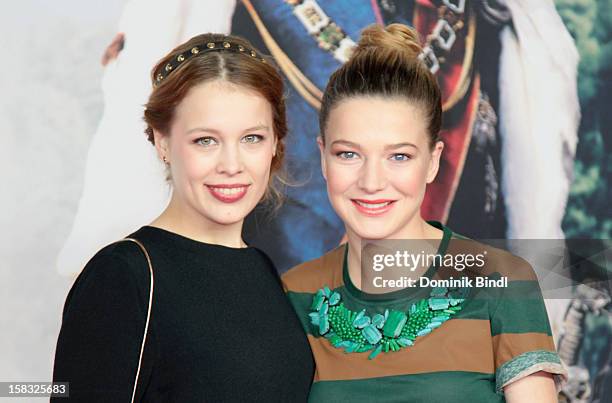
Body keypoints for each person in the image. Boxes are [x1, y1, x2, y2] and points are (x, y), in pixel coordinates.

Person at [281, 24, 567, 402]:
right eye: (348, 154)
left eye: (399, 156)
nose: (371, 181)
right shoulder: (293, 294)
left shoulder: (502, 283)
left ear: (432, 162)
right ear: (322, 156)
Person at [52, 33, 314, 402]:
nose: (231, 165)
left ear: (275, 144)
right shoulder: (124, 276)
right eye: (205, 140)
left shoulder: (261, 268)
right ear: (162, 142)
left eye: (252, 138)